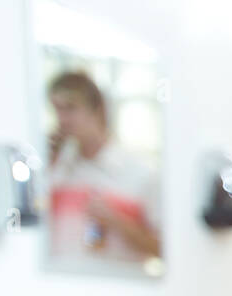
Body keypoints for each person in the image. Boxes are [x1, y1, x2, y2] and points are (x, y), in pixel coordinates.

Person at [46, 70, 161, 264]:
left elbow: (165, 249)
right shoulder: (55, 171)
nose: (62, 119)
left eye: (70, 108)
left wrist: (116, 221)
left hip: (119, 289)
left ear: (97, 110)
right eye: (57, 110)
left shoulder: (141, 174)